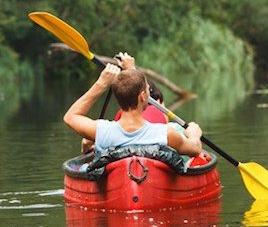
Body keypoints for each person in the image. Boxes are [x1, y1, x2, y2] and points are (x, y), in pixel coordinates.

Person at [65, 54, 202, 159]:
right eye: (148, 90)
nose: (150, 92)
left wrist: (101, 83)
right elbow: (195, 149)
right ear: (143, 96)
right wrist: (194, 134)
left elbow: (70, 117)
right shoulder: (165, 133)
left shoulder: (102, 131)